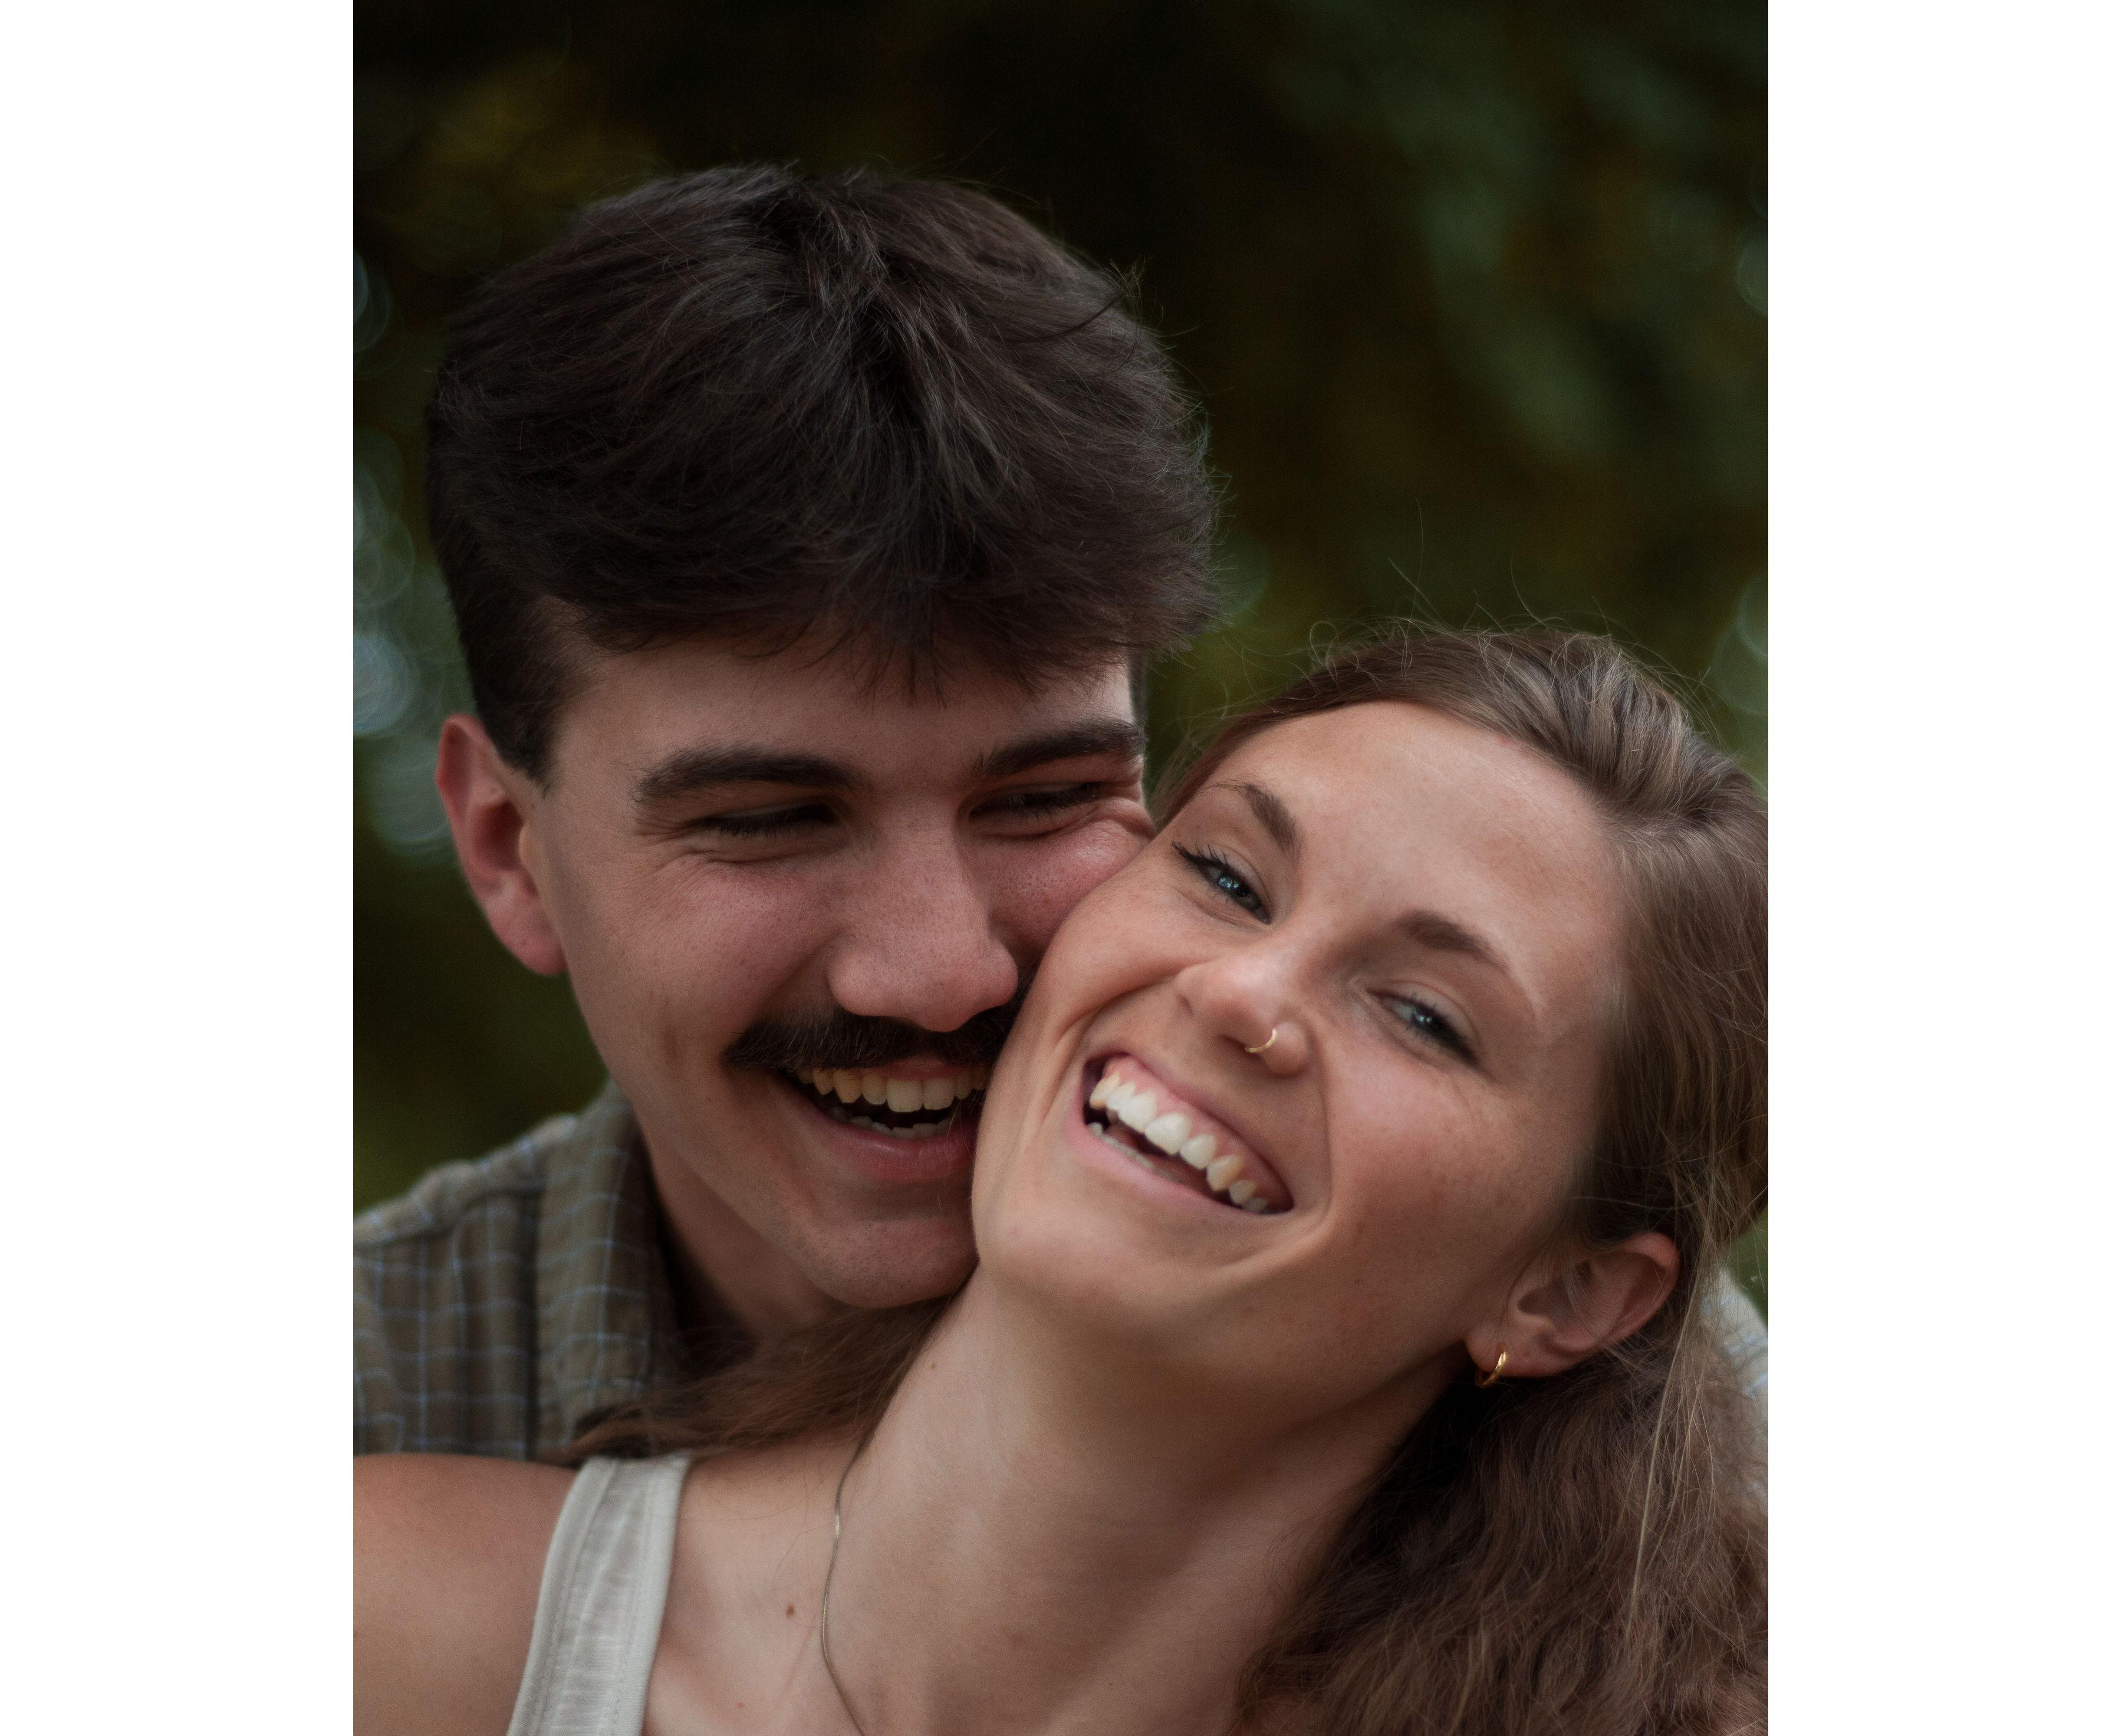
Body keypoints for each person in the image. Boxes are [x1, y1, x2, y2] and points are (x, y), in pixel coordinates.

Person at [357, 629, 1768, 1736]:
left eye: (1423, 1016)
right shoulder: (386, 1638)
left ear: (1567, 1292)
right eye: (1225, 878)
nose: (1241, 994)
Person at [354, 164, 1768, 1461]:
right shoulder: (369, 1416)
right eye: (769, 819)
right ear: (509, 854)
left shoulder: (1648, 1417)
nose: (941, 973)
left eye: (1040, 800)